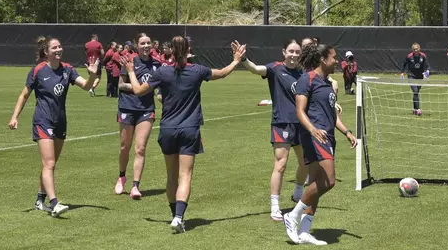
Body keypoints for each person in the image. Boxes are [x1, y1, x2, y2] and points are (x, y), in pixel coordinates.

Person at [121, 35, 245, 233]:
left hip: (168, 129)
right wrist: (236, 60)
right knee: (185, 175)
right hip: (189, 129)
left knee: (171, 176)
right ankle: (179, 217)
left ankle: (174, 216)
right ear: (188, 51)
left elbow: (137, 90)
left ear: (170, 51)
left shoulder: (162, 72)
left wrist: (131, 71)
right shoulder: (197, 71)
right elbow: (221, 73)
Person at [8, 36, 100, 217]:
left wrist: (92, 74)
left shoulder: (68, 70)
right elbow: (24, 95)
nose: (59, 50)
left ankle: (39, 200)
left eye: (60, 47)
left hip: (60, 122)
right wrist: (14, 117)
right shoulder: (38, 71)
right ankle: (55, 203)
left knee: (50, 164)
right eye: (54, 48)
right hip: (43, 121)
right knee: (48, 163)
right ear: (46, 52)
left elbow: (86, 86)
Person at [284, 43, 357, 245]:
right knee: (328, 181)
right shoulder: (306, 79)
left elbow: (332, 115)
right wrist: (313, 130)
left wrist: (347, 132)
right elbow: (300, 111)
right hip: (314, 136)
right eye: (333, 57)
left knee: (316, 183)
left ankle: (305, 231)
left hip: (328, 136)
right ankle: (292, 216)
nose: (336, 60)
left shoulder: (329, 84)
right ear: (323, 59)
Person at [233, 39, 307, 221]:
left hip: (302, 123)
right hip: (282, 123)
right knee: (280, 165)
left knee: (305, 163)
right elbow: (256, 69)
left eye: (298, 52)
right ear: (284, 52)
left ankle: (298, 193)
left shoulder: (304, 73)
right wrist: (243, 60)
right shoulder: (275, 68)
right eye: (291, 51)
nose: (294, 55)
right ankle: (275, 207)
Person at [114, 33, 161, 200]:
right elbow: (120, 85)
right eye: (143, 43)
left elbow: (160, 85)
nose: (146, 46)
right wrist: (139, 87)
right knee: (124, 147)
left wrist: (159, 93)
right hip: (127, 107)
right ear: (137, 45)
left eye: (149, 43)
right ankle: (121, 177)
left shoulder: (157, 64)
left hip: (146, 109)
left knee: (140, 148)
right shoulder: (129, 61)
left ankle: (135, 186)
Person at [400, 43, 430, 115]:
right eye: (414, 49)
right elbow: (404, 64)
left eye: (417, 49)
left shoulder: (423, 56)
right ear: (412, 50)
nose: (415, 50)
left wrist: (427, 72)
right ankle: (418, 109)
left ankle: (414, 109)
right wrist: (402, 73)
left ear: (419, 49)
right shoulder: (409, 56)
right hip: (411, 76)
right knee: (415, 91)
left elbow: (427, 65)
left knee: (416, 92)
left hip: (420, 76)